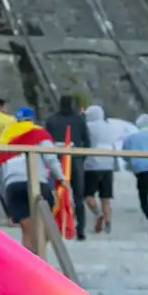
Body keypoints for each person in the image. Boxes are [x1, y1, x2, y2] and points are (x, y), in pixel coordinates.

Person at [0, 107, 67, 255]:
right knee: (45, 227)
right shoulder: (39, 134)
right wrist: (62, 178)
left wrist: (4, 195)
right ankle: (38, 261)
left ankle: (27, 265)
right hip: (36, 182)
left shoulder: (5, 137)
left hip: (12, 185)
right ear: (32, 119)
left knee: (27, 230)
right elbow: (50, 158)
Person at [44, 94, 92, 240]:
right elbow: (87, 142)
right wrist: (81, 158)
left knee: (55, 193)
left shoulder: (51, 120)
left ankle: (55, 226)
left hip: (57, 160)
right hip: (75, 159)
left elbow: (46, 139)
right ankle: (80, 228)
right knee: (78, 196)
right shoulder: (79, 120)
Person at [84, 105, 123, 234]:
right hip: (108, 165)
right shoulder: (110, 127)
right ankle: (107, 223)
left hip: (91, 165)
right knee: (106, 198)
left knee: (88, 195)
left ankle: (97, 213)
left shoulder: (88, 127)